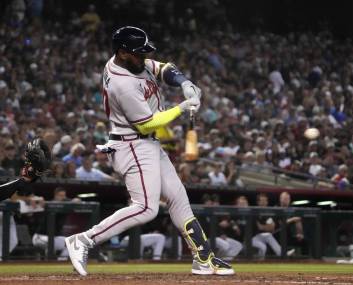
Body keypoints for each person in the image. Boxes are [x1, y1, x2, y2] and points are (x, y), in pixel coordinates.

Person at [65, 26, 234, 276]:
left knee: (178, 198)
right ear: (122, 52)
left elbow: (164, 68)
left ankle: (203, 259)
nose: (144, 57)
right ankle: (84, 240)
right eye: (138, 53)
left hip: (146, 143)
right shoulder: (122, 83)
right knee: (146, 207)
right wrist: (182, 107)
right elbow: (147, 123)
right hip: (131, 143)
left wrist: (184, 83)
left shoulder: (133, 62)